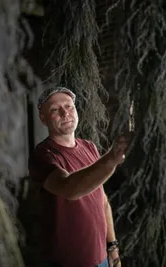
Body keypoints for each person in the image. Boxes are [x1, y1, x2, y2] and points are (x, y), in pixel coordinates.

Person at [28, 86, 130, 267]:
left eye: (69, 106)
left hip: (102, 259)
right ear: (43, 119)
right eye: (55, 109)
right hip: (67, 262)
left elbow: (102, 200)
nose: (65, 113)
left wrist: (112, 245)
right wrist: (110, 160)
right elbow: (69, 188)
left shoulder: (89, 147)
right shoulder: (43, 154)